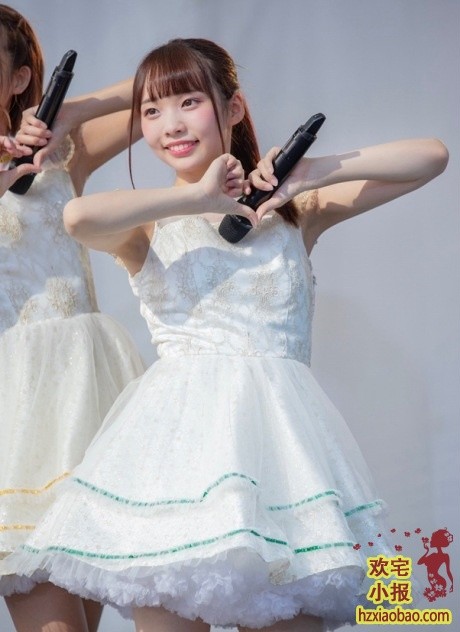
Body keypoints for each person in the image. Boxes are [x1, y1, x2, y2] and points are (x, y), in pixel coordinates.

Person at [3, 37, 448, 632]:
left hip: (282, 462)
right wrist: (194, 197)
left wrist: (311, 171)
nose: (170, 124)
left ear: (233, 108)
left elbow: (431, 156)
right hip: (173, 465)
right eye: (151, 111)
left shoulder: (295, 211)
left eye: (188, 102)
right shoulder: (149, 221)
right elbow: (77, 218)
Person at [0, 5, 146, 632]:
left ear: (18, 78)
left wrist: (71, 112)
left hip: (84, 392)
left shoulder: (61, 154)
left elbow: (161, 89)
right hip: (12, 407)